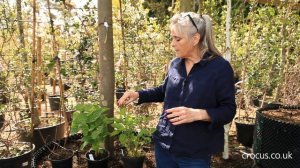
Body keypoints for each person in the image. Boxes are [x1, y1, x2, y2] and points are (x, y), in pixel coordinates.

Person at [118, 12, 236, 168]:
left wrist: (197, 114)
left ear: (195, 39)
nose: (172, 44)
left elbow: (228, 110)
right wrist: (138, 95)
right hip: (164, 146)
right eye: (172, 38)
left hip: (195, 153)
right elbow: (164, 91)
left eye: (177, 39)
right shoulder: (175, 64)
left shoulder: (220, 68)